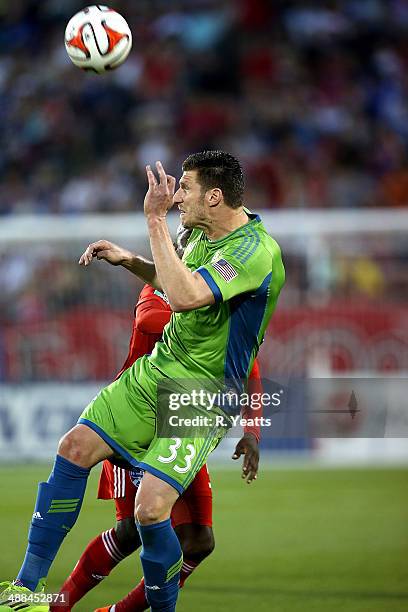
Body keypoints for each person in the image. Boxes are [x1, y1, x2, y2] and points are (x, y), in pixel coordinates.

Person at [0, 150, 285, 612]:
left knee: (150, 512)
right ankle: (25, 591)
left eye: (186, 189)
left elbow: (187, 294)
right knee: (73, 447)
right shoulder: (203, 234)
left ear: (214, 197)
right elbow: (177, 280)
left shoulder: (253, 252)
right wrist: (128, 259)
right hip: (155, 372)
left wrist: (153, 221)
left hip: (200, 392)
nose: (177, 198)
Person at [55, 227, 262, 612]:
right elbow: (152, 321)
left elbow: (248, 361)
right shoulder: (159, 291)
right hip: (135, 419)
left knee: (200, 540)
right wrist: (205, 320)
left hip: (184, 417)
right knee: (132, 530)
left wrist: (252, 429)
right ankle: (58, 604)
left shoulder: (218, 298)